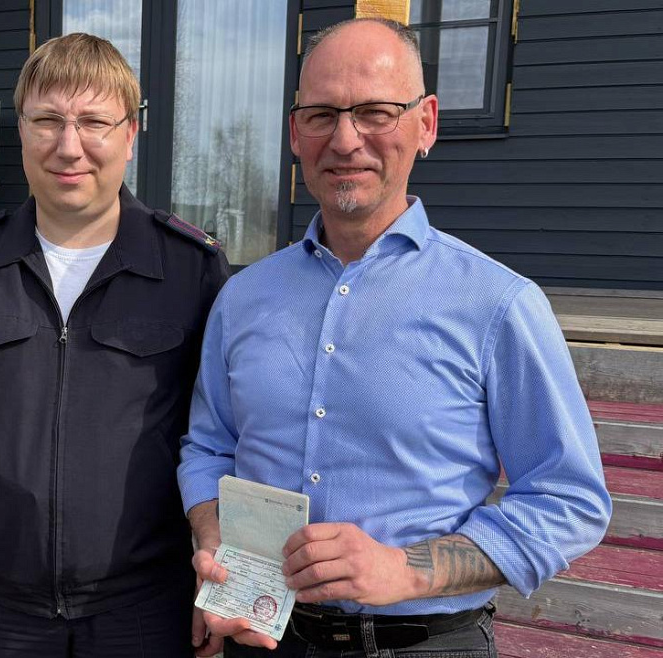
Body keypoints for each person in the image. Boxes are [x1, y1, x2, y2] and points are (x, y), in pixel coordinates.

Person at [177, 18, 612, 658]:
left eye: (375, 113)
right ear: (295, 133)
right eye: (321, 115)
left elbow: (568, 499)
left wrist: (405, 570)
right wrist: (214, 541)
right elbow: (210, 447)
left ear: (425, 123)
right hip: (264, 636)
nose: (345, 139)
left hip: (424, 644)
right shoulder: (243, 298)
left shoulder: (497, 304)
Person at [0, 33, 231, 658]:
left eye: (94, 122)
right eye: (47, 120)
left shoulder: (192, 270)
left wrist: (213, 562)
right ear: (21, 131)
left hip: (146, 602)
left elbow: (217, 434)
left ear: (130, 134)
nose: (68, 145)